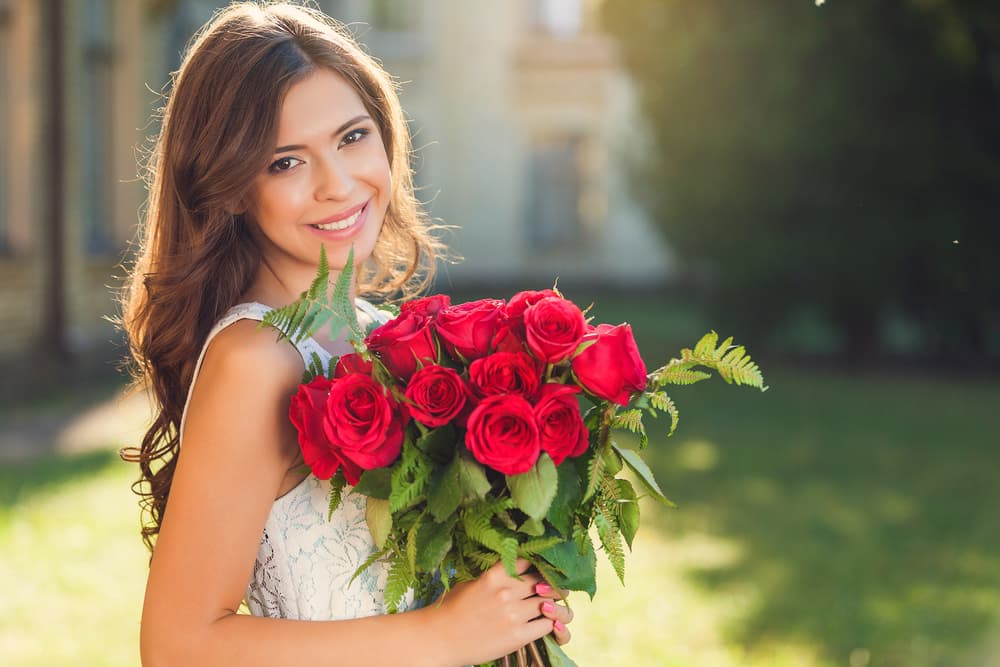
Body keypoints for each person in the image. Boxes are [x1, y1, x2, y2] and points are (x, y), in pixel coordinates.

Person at [120, 3, 574, 666]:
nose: (339, 184)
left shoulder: (390, 339)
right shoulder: (256, 360)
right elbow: (179, 644)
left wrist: (509, 607)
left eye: (352, 137)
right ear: (233, 186)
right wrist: (444, 634)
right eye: (285, 162)